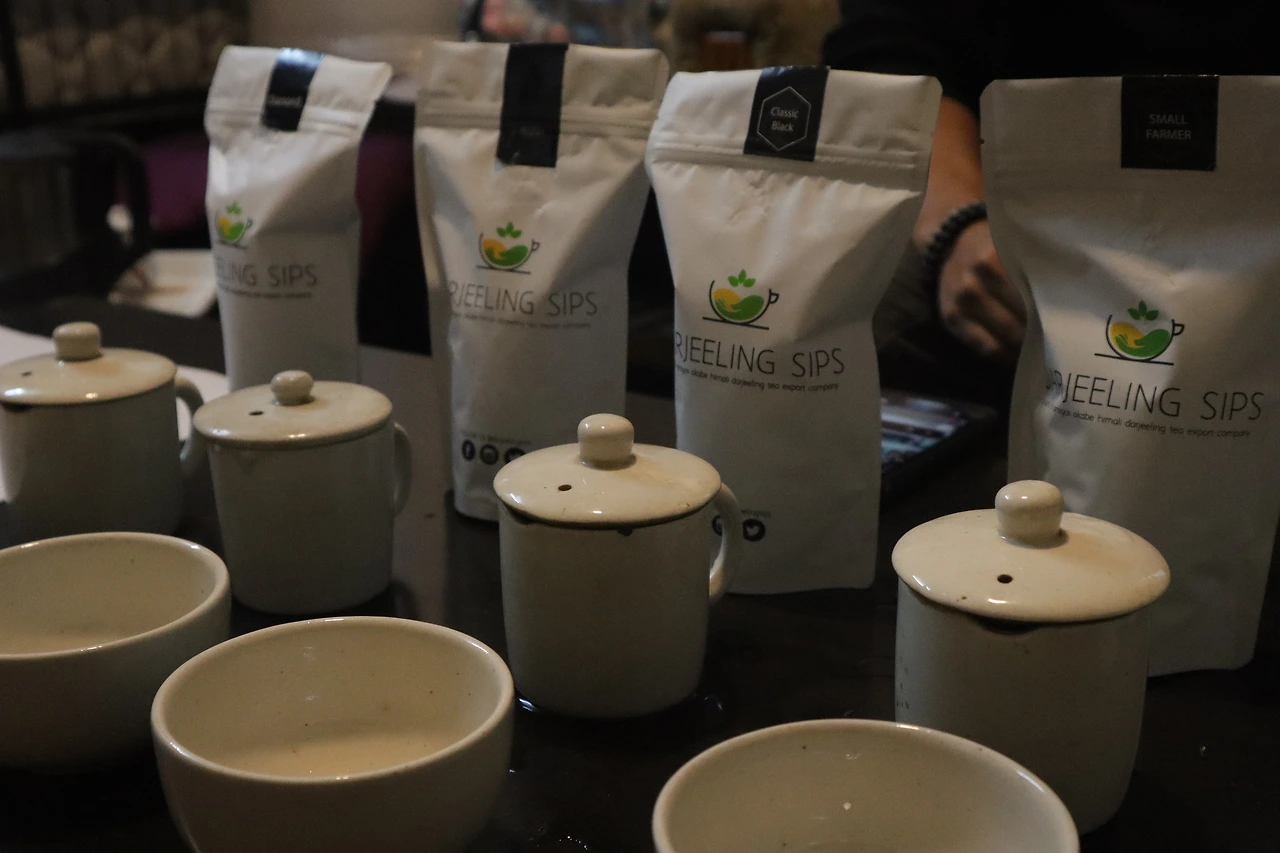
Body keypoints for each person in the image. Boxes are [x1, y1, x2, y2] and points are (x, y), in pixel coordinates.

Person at [824, 1, 1274, 378]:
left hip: (1255, 209)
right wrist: (956, 228)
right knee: (839, 308)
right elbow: (895, 51)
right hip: (1003, 196)